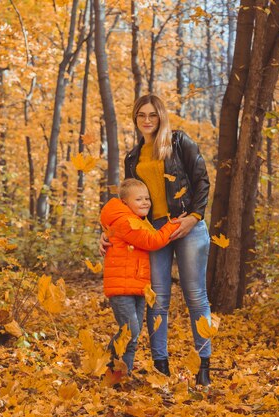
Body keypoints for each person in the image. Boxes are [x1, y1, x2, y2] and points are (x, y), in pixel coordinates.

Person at [101, 94, 213, 386]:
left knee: (195, 297)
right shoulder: (132, 157)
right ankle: (160, 367)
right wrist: (108, 231)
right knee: (158, 300)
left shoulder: (179, 142)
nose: (147, 120)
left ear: (161, 116)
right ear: (136, 119)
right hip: (153, 231)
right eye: (141, 115)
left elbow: (202, 180)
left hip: (187, 224)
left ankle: (204, 367)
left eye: (152, 114)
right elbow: (127, 203)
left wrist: (194, 217)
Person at [100, 178, 180, 373]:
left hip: (136, 285)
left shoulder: (136, 220)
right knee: (131, 331)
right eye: (139, 199)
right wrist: (173, 224)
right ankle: (108, 361)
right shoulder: (127, 223)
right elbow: (153, 241)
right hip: (122, 288)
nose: (145, 202)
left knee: (132, 336)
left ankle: (121, 374)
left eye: (147, 198)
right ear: (126, 203)